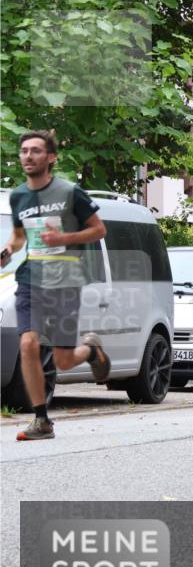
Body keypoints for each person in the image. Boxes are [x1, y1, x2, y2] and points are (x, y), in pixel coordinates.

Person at [1, 131, 110, 441]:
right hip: (31, 279)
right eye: (23, 151)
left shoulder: (69, 192)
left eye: (35, 151)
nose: (28, 156)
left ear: (50, 158)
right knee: (28, 344)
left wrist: (63, 239)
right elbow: (20, 237)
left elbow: (98, 230)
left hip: (65, 281)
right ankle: (41, 420)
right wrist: (7, 252)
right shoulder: (18, 195)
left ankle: (90, 350)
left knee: (62, 360)